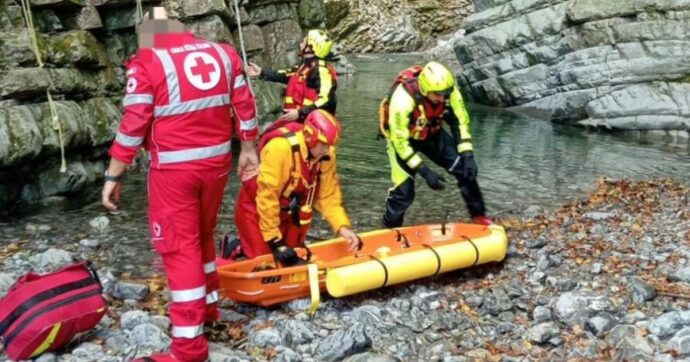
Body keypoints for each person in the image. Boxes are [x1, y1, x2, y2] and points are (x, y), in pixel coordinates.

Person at [101, 7, 258, 362]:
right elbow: (245, 105)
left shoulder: (147, 62)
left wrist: (114, 174)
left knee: (178, 247)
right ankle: (209, 308)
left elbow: (134, 123)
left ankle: (188, 347)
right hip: (217, 164)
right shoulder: (222, 53)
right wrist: (249, 149)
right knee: (202, 234)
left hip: (174, 171)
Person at [232, 110, 359, 266]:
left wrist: (343, 227)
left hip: (289, 212)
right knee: (265, 265)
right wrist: (275, 240)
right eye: (323, 143)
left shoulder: (326, 155)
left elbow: (328, 196)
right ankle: (235, 249)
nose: (327, 149)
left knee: (293, 257)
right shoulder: (279, 149)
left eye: (330, 144)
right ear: (308, 136)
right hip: (256, 210)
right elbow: (267, 197)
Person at [379, 61, 494, 228]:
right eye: (438, 95)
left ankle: (478, 216)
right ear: (425, 90)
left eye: (445, 94)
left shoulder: (449, 92)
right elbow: (400, 142)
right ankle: (389, 228)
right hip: (403, 141)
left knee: (465, 170)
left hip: (432, 134)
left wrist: (468, 155)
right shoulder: (403, 99)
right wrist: (425, 172)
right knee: (404, 191)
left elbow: (460, 122)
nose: (442, 98)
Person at [245, 29, 337, 122]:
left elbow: (326, 100)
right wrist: (262, 72)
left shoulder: (321, 71)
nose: (300, 44)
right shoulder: (306, 66)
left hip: (313, 124)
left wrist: (299, 113)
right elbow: (286, 75)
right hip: (300, 121)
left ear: (310, 48)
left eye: (304, 42)